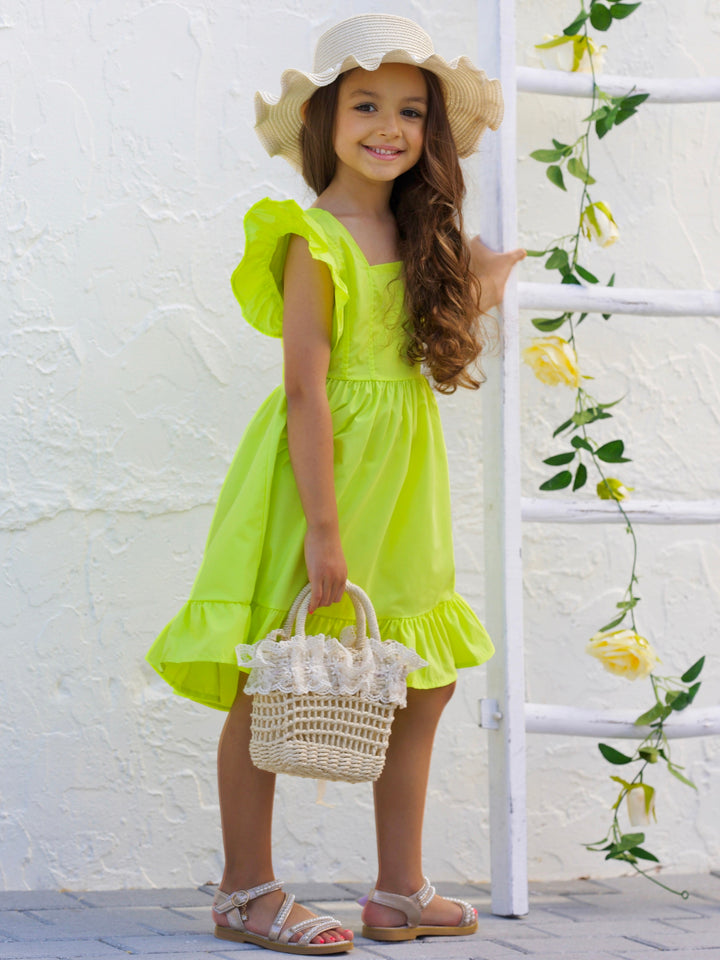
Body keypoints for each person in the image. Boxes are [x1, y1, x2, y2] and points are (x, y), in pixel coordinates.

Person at [146, 12, 525, 956]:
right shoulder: (312, 238)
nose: (389, 127)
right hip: (323, 475)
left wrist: (479, 286)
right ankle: (245, 890)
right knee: (276, 678)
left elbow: (421, 353)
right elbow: (307, 389)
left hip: (403, 481)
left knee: (424, 679)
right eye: (366, 106)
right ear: (325, 120)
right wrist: (323, 529)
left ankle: (399, 890)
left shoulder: (417, 230)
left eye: (410, 111)